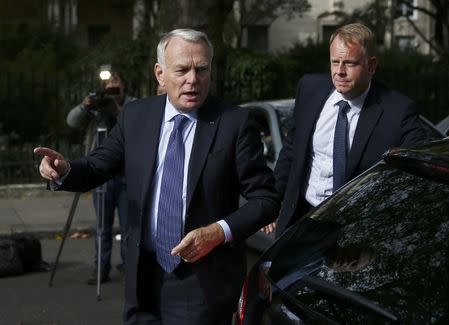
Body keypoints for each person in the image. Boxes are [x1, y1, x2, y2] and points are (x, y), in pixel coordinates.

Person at [35, 28, 279, 325]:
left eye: (201, 69)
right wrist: (65, 170)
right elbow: (98, 166)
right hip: (141, 277)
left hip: (199, 281)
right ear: (160, 74)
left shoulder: (234, 123)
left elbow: (265, 199)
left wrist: (217, 232)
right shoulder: (137, 116)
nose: (193, 79)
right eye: (182, 70)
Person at [266, 22, 426, 238]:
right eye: (335, 62)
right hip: (299, 222)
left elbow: (414, 181)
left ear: (371, 65)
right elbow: (291, 150)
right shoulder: (310, 89)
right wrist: (270, 204)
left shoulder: (398, 112)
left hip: (356, 235)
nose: (339, 72)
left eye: (349, 63)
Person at [66, 70, 137, 284]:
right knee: (102, 227)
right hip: (101, 176)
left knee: (128, 227)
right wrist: (86, 106)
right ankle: (101, 268)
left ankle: (129, 267)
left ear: (123, 86)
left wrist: (117, 109)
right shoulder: (97, 105)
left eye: (116, 82)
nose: (112, 87)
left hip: (127, 175)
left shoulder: (134, 105)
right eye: (109, 84)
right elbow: (72, 121)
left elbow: (137, 126)